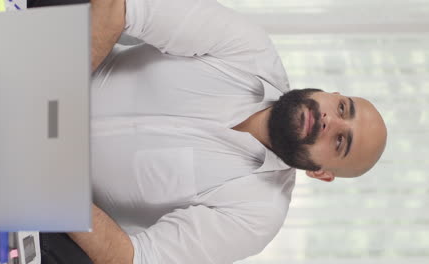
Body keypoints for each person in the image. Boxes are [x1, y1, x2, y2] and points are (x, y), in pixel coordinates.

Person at [34, 0, 388, 263]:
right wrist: (52, 90)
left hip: (49, 192)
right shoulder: (249, 47)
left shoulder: (258, 215)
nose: (331, 122)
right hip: (50, 66)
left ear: (321, 173)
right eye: (343, 109)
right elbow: (121, 8)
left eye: (341, 141)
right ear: (332, 95)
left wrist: (57, 185)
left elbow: (135, 258)